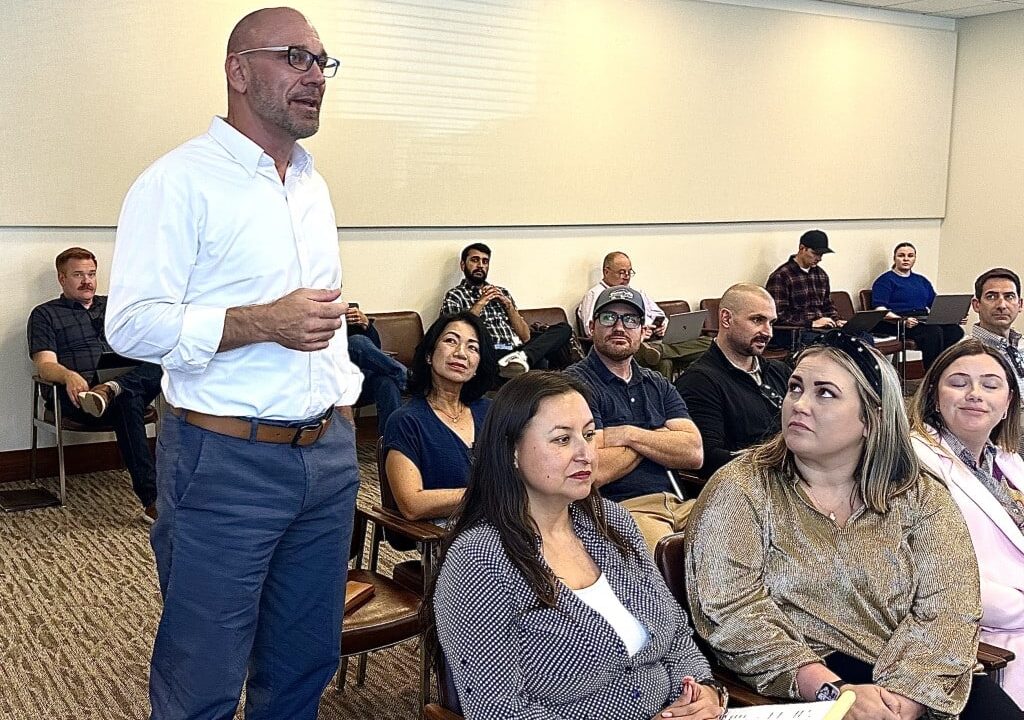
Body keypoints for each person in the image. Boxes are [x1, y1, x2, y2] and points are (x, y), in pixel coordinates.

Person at [105, 9, 362, 719]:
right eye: (294, 58)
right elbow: (129, 323)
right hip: (225, 461)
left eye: (321, 61)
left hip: (328, 455)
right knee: (203, 680)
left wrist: (339, 409)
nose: (314, 75)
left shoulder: (311, 183)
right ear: (238, 70)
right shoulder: (177, 181)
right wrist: (259, 324)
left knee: (303, 664)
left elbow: (316, 318)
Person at [686, 331, 1019, 719]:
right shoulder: (742, 487)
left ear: (870, 417)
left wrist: (908, 696)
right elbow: (731, 612)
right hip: (806, 683)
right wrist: (832, 689)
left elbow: (950, 606)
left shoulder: (917, 494)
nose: (799, 404)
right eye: (795, 388)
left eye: (825, 392)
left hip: (919, 677)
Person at [427, 371, 727, 720]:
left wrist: (704, 690)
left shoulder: (611, 522)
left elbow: (676, 633)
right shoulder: (480, 560)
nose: (586, 453)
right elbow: (500, 710)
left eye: (588, 435)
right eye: (562, 440)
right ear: (512, 451)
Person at [910, 340, 1024, 708]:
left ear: (1008, 405)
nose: (975, 394)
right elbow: (934, 575)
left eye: (991, 385)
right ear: (934, 396)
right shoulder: (916, 460)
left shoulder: (1007, 460)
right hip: (990, 629)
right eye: (959, 383)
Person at [27, 247, 163, 521]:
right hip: (81, 397)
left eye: (91, 274)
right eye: (78, 274)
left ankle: (113, 387)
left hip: (124, 383)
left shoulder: (114, 306)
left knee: (164, 361)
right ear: (62, 278)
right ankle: (152, 499)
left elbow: (144, 348)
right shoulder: (45, 314)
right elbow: (44, 364)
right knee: (128, 399)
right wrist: (68, 375)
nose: (87, 281)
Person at [566, 286, 703, 549]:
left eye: (631, 320)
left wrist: (627, 434)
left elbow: (693, 452)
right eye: (609, 318)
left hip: (679, 503)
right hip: (623, 509)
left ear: (642, 331)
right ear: (591, 327)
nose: (620, 327)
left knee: (742, 533)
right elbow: (595, 470)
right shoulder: (573, 385)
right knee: (666, 559)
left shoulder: (657, 383)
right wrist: (658, 437)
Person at [383, 312, 496, 522]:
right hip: (447, 534)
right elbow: (412, 505)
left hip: (506, 525)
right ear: (429, 355)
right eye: (451, 341)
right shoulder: (407, 421)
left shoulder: (492, 412)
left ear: (478, 366)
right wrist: (488, 496)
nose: (461, 353)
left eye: (473, 347)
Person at [675, 284, 790, 479]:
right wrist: (781, 460)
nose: (768, 332)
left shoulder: (780, 371)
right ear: (726, 319)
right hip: (751, 489)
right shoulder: (699, 382)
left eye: (771, 322)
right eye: (757, 320)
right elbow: (708, 458)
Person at [440, 243, 573, 378]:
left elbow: (526, 336)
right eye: (475, 260)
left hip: (516, 351)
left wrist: (508, 305)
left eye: (485, 262)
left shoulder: (502, 292)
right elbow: (457, 331)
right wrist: (482, 301)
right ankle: (520, 364)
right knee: (542, 361)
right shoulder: (455, 295)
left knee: (564, 329)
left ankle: (522, 358)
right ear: (463, 265)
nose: (480, 265)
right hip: (489, 351)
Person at [577, 251, 711, 375]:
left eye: (630, 272)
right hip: (626, 345)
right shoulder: (595, 295)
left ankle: (659, 351)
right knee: (664, 362)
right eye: (622, 272)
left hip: (655, 342)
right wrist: (638, 332)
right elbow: (591, 330)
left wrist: (663, 326)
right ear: (606, 272)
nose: (627, 277)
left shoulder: (637, 292)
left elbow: (660, 315)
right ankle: (658, 354)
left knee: (709, 343)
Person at [870, 242, 963, 370]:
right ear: (894, 258)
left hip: (922, 318)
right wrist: (902, 320)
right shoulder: (885, 280)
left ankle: (942, 368)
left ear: (915, 258)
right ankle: (932, 375)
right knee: (933, 333)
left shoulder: (921, 280)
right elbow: (880, 309)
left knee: (955, 330)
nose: (906, 259)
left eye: (910, 256)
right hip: (897, 322)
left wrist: (953, 317)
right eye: (901, 255)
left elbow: (935, 305)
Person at [766, 229, 843, 350]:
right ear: (802, 248)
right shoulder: (781, 276)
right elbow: (779, 315)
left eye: (821, 255)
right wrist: (811, 323)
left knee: (862, 337)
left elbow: (827, 305)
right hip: (795, 333)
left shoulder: (821, 275)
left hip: (820, 329)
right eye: (815, 253)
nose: (819, 258)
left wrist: (836, 320)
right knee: (836, 342)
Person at [345, 304, 406, 433]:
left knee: (386, 382)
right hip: (330, 379)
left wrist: (366, 325)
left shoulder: (345, 312)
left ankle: (391, 443)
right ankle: (408, 378)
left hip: (357, 379)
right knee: (357, 341)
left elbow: (375, 349)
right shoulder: (311, 314)